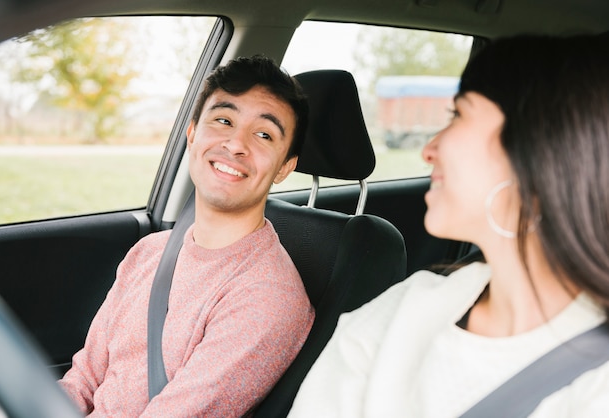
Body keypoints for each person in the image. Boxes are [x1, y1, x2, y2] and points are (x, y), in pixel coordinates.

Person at [288, 34, 609, 417]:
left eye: (458, 116)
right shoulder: (406, 307)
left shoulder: (595, 383)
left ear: (538, 150)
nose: (429, 149)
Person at [59, 55, 315, 417]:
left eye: (263, 134)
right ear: (192, 132)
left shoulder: (268, 297)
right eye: (223, 120)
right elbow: (83, 380)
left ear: (284, 168)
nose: (236, 144)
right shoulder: (149, 252)